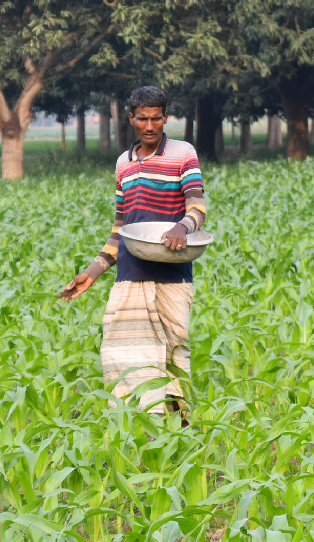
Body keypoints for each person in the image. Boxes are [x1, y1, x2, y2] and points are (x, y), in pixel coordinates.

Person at [60, 86, 207, 416]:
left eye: (157, 118)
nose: (150, 126)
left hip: (173, 278)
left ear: (166, 118)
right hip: (130, 276)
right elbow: (119, 228)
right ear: (131, 119)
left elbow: (197, 207)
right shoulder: (123, 164)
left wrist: (181, 228)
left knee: (173, 357)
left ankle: (179, 435)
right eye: (143, 119)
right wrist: (92, 272)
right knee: (123, 354)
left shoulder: (183, 153)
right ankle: (139, 431)